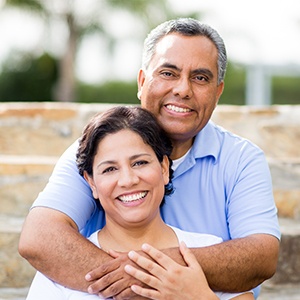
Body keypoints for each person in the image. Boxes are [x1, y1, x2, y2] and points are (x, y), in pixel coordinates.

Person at [19, 18, 280, 299]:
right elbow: (40, 237)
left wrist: (163, 278)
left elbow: (261, 255)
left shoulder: (241, 160)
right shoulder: (97, 149)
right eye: (168, 73)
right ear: (142, 82)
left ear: (218, 92)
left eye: (200, 78)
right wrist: (144, 284)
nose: (183, 89)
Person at [26, 106, 254, 300]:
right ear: (91, 183)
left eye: (140, 163)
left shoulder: (207, 252)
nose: (128, 180)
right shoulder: (59, 270)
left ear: (164, 168)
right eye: (110, 169)